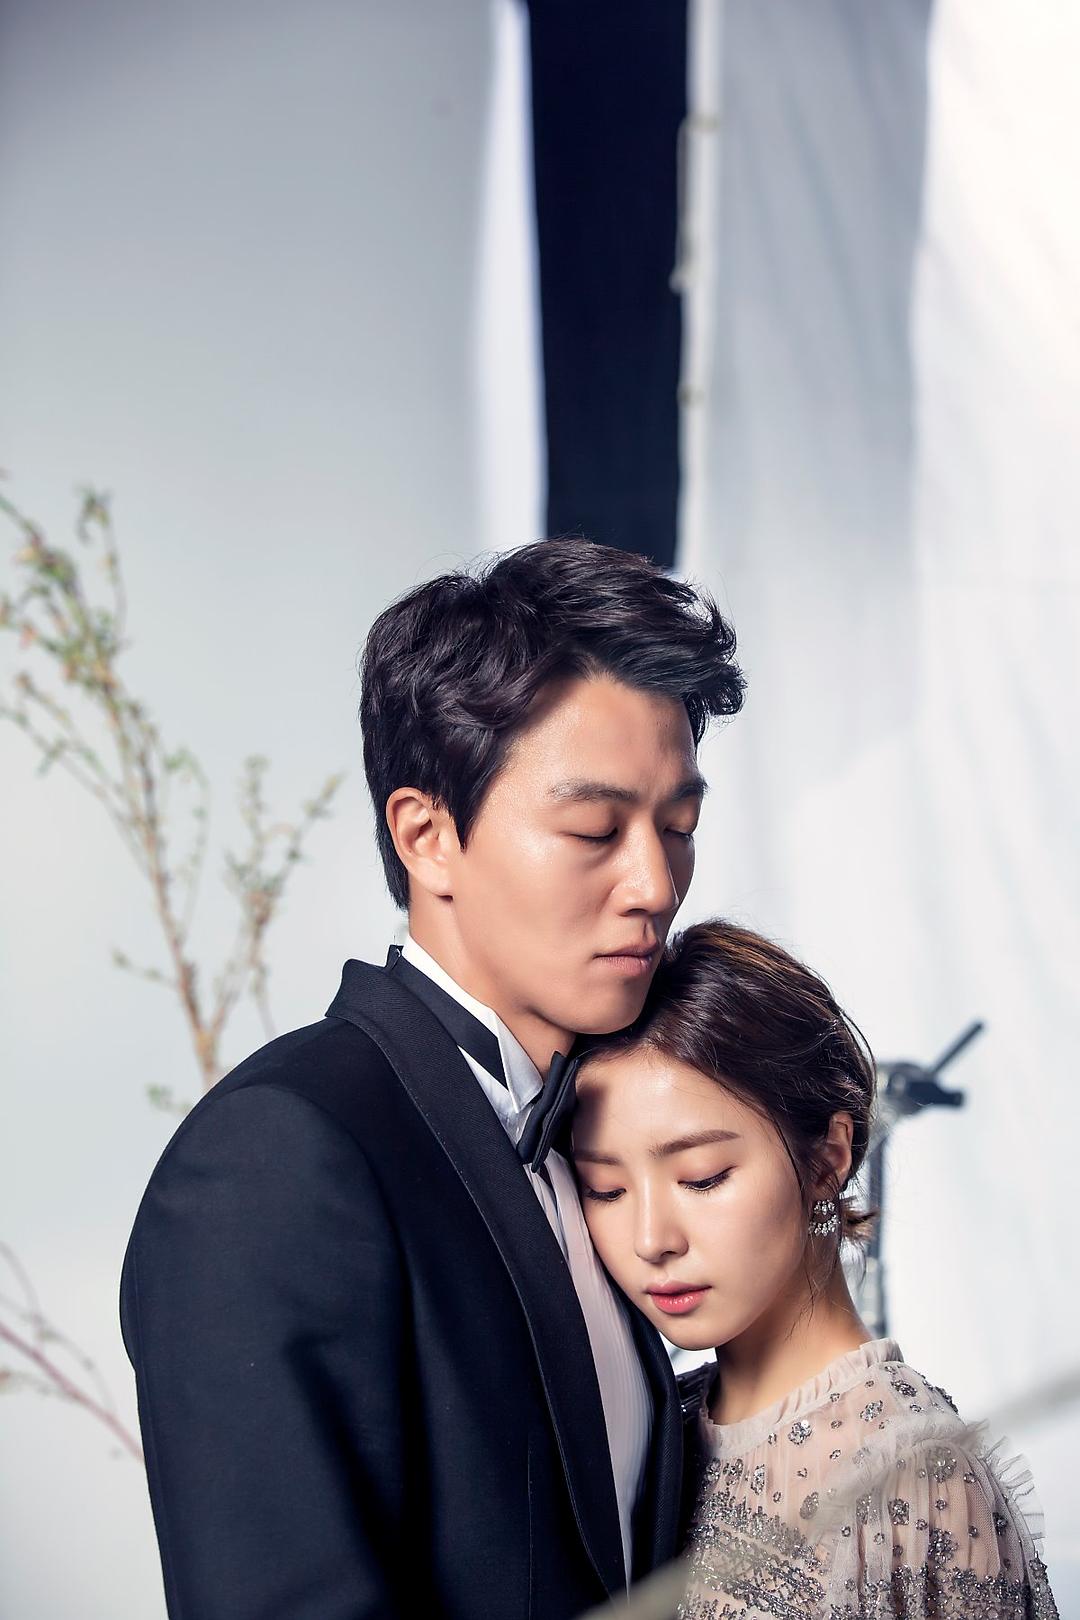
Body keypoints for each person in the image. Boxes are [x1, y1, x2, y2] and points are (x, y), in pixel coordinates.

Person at [119, 537, 745, 1620]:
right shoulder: (278, 1156)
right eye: (595, 829)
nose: (655, 883)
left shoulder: (604, 1140)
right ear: (427, 836)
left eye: (678, 827)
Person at [571, 920, 1059, 1619]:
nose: (651, 1240)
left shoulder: (913, 1475)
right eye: (607, 1189)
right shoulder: (651, 1425)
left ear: (828, 1158)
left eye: (702, 1177)